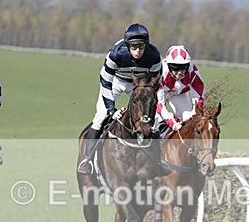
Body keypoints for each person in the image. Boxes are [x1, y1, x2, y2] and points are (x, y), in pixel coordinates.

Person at [77, 23, 161, 175]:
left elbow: (155, 83)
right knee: (100, 117)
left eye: (141, 47)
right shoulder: (116, 54)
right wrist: (111, 109)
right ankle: (87, 159)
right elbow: (105, 81)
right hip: (115, 82)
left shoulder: (154, 56)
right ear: (127, 45)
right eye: (134, 47)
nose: (137, 51)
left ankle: (159, 162)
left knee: (156, 121)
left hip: (139, 85)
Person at [156, 45, 206, 135]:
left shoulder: (192, 70)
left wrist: (196, 112)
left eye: (183, 68)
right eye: (175, 68)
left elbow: (198, 94)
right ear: (169, 66)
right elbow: (160, 104)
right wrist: (172, 123)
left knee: (189, 118)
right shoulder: (161, 72)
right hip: (159, 94)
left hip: (178, 94)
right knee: (158, 121)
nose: (179, 72)